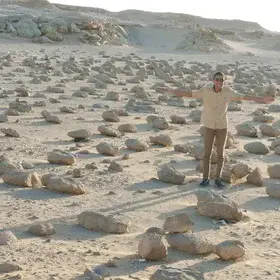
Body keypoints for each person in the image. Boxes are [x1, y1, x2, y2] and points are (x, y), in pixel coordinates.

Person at [157, 71, 275, 189]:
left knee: (220, 154)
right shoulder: (206, 91)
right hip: (208, 126)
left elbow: (244, 96)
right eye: (217, 79)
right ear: (213, 80)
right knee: (207, 153)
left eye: (222, 80)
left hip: (222, 127)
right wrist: (170, 90)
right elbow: (189, 94)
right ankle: (205, 178)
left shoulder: (228, 92)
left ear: (224, 81)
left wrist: (262, 99)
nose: (219, 82)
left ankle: (218, 179)